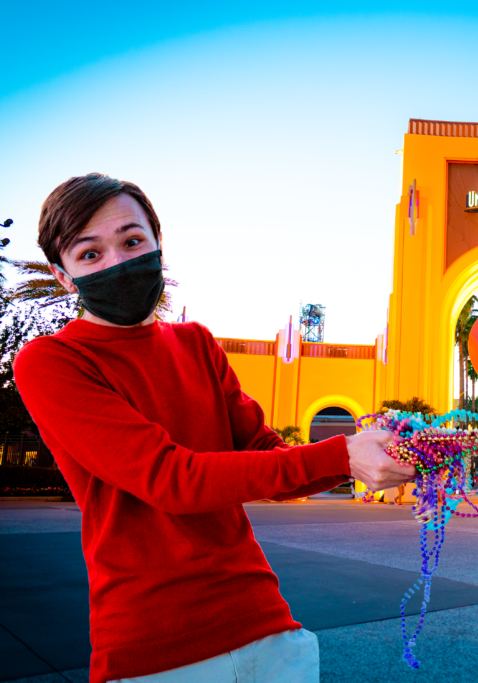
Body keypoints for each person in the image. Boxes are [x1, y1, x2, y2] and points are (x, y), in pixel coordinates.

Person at [13, 174, 416, 683]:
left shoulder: (196, 344)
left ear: (159, 245)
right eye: (90, 254)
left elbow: (267, 455)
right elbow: (170, 479)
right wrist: (343, 456)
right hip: (155, 646)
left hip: (266, 627)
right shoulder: (52, 362)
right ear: (64, 275)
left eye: (132, 242)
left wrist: (392, 447)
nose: (118, 262)